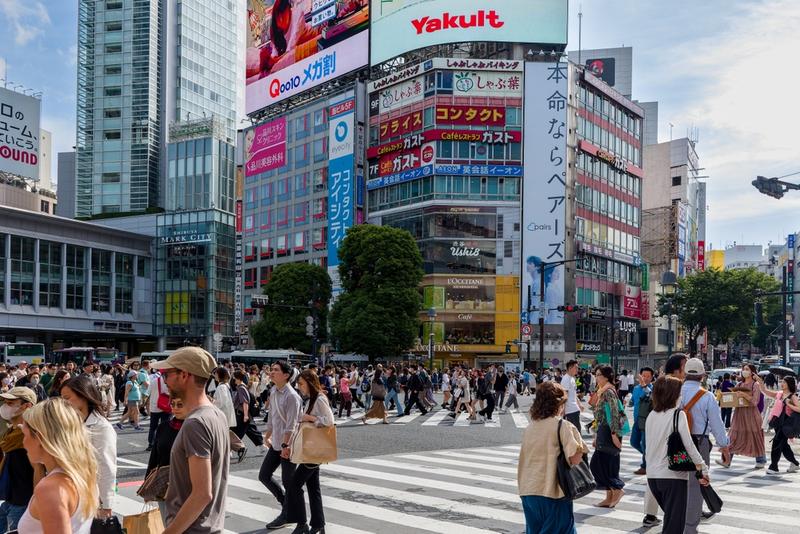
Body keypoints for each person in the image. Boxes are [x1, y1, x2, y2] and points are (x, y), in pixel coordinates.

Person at [151, 347, 230, 534]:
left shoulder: (195, 423)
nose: (165, 381)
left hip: (191, 529)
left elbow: (202, 494)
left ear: (184, 375)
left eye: (166, 374)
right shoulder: (216, 414)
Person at [517, 381, 589, 534]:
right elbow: (575, 458)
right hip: (553, 491)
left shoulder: (531, 427)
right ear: (559, 404)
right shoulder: (562, 426)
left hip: (528, 491)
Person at [19, 398, 99, 534]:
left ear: (39, 438)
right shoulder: (82, 474)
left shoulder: (50, 487)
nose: (23, 443)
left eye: (25, 435)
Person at [645, 376, 709, 534]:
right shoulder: (678, 414)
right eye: (680, 393)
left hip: (653, 476)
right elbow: (689, 445)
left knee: (670, 522)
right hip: (673, 476)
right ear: (672, 394)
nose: (682, 396)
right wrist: (703, 467)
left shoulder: (651, 415)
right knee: (674, 526)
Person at [680, 358, 730, 532]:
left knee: (677, 484)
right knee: (696, 486)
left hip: (676, 444)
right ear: (702, 375)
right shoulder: (707, 396)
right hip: (699, 444)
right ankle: (689, 528)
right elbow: (717, 424)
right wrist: (724, 446)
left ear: (685, 374)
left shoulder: (674, 392)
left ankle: (675, 523)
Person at [60, 376, 117, 521]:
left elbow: (106, 466)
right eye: (62, 399)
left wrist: (106, 505)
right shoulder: (70, 422)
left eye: (67, 398)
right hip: (70, 493)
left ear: (84, 396)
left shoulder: (101, 427)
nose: (63, 403)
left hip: (90, 498)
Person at [285, 370, 335, 534]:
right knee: (314, 488)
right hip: (311, 450)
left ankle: (302, 524)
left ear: (309, 382)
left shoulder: (319, 398)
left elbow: (330, 421)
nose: (299, 387)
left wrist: (310, 418)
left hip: (314, 450)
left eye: (301, 384)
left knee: (294, 485)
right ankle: (318, 524)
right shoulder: (311, 399)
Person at [263, 361, 303, 531]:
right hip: (277, 443)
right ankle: (286, 504)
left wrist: (286, 445)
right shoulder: (273, 391)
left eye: (276, 370)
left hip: (289, 445)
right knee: (264, 476)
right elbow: (272, 416)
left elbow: (292, 425)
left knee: (289, 481)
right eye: (271, 369)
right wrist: (267, 435)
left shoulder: (292, 396)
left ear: (286, 375)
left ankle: (287, 514)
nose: (271, 372)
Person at [0, 387, 41, 531]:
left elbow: (38, 468)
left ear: (27, 406)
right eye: (5, 402)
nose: (5, 406)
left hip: (23, 500)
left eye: (11, 403)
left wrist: (37, 500)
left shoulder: (30, 432)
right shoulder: (12, 429)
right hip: (10, 498)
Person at [147, 394, 187, 522]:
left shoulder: (194, 428)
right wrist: (148, 486)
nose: (175, 408)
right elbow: (154, 457)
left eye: (180, 404)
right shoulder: (163, 427)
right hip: (164, 484)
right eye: (172, 404)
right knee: (167, 523)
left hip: (186, 486)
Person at [589, 365, 625, 508]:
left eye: (598, 375)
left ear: (606, 377)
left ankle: (617, 489)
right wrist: (596, 435)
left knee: (598, 464)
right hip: (603, 431)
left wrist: (615, 435)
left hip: (609, 431)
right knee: (606, 465)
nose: (596, 377)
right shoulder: (602, 391)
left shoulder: (609, 392)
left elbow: (615, 413)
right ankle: (609, 496)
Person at [724, 363, 767, 468]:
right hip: (739, 414)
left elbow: (755, 401)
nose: (744, 371)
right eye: (743, 369)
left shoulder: (755, 385)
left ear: (752, 371)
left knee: (755, 435)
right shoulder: (739, 384)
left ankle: (761, 459)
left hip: (752, 414)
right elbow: (734, 399)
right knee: (733, 436)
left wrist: (744, 395)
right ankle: (726, 460)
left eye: (747, 369)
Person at [761, 375, 800, 474]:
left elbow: (799, 409)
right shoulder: (779, 394)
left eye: (784, 382)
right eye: (781, 382)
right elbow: (765, 391)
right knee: (783, 445)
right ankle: (794, 463)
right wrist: (760, 382)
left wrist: (789, 404)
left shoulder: (792, 396)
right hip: (778, 422)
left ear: (789, 384)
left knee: (777, 443)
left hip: (786, 423)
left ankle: (774, 466)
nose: (782, 384)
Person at [629, 367, 654, 476]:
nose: (646, 378)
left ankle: (645, 466)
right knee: (634, 442)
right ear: (640, 376)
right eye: (644, 376)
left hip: (647, 422)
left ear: (652, 377)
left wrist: (644, 385)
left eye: (648, 376)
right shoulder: (635, 388)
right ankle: (650, 459)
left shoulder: (653, 389)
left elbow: (651, 396)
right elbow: (633, 402)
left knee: (644, 444)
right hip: (636, 420)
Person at [232, 370, 264, 448]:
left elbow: (245, 402)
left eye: (234, 378)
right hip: (243, 414)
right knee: (251, 431)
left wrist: (245, 415)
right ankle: (261, 446)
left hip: (241, 414)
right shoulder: (243, 387)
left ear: (238, 378)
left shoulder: (241, 388)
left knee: (235, 433)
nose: (233, 380)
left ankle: (237, 448)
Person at [146, 368, 172, 452]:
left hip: (154, 406)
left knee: (153, 427)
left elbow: (147, 393)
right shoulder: (170, 381)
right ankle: (163, 443)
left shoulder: (153, 381)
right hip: (166, 406)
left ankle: (151, 444)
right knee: (165, 426)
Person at [560, 360, 582, 430]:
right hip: (570, 410)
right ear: (570, 368)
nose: (577, 370)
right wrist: (562, 410)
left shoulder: (572, 378)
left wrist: (579, 404)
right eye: (576, 368)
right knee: (574, 432)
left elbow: (574, 393)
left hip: (574, 409)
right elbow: (564, 395)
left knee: (576, 431)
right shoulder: (566, 379)